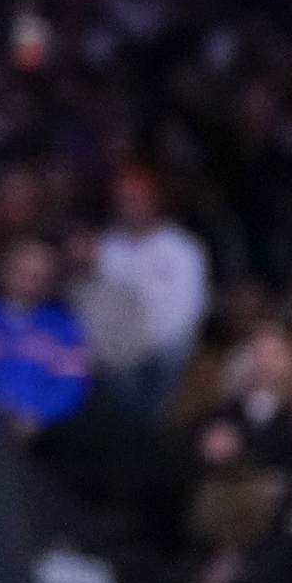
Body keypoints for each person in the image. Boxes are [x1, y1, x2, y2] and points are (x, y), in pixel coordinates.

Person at [93, 168, 210, 415]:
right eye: (124, 200)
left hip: (166, 349)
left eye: (137, 199)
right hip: (117, 350)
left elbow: (188, 312)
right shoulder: (106, 247)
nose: (131, 206)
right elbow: (99, 304)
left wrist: (145, 344)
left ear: (155, 200)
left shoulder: (182, 248)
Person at [0, 237, 90, 434]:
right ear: (4, 269)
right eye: (22, 272)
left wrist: (38, 415)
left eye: (37, 276)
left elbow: (72, 384)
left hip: (44, 435)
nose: (28, 282)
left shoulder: (64, 328)